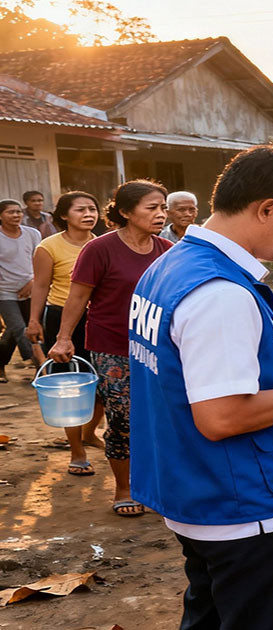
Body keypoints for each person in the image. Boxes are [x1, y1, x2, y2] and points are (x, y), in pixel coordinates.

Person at [128, 144, 273, 630]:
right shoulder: (220, 293)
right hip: (244, 504)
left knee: (210, 614)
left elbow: (189, 369)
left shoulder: (172, 265)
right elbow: (222, 417)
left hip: (195, 488)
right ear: (267, 209)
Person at [48, 179, 172, 517]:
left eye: (163, 207)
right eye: (152, 208)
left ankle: (156, 482)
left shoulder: (165, 249)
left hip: (156, 347)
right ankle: (125, 487)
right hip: (111, 345)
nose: (161, 214)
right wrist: (63, 337)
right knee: (124, 419)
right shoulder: (99, 249)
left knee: (160, 417)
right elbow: (78, 297)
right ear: (127, 212)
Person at [25, 192, 105, 475]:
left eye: (93, 208)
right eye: (80, 209)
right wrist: (34, 321)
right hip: (62, 319)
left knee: (103, 385)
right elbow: (40, 286)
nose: (88, 214)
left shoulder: (103, 245)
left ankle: (89, 432)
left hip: (99, 318)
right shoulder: (49, 247)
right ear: (63, 216)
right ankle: (77, 450)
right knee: (72, 388)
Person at [0, 199, 42, 382]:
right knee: (19, 328)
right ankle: (41, 365)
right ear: (1, 215)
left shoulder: (32, 234)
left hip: (32, 288)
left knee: (16, 331)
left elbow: (40, 261)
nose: (16, 215)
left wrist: (33, 282)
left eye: (18, 211)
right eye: (11, 212)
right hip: (5, 292)